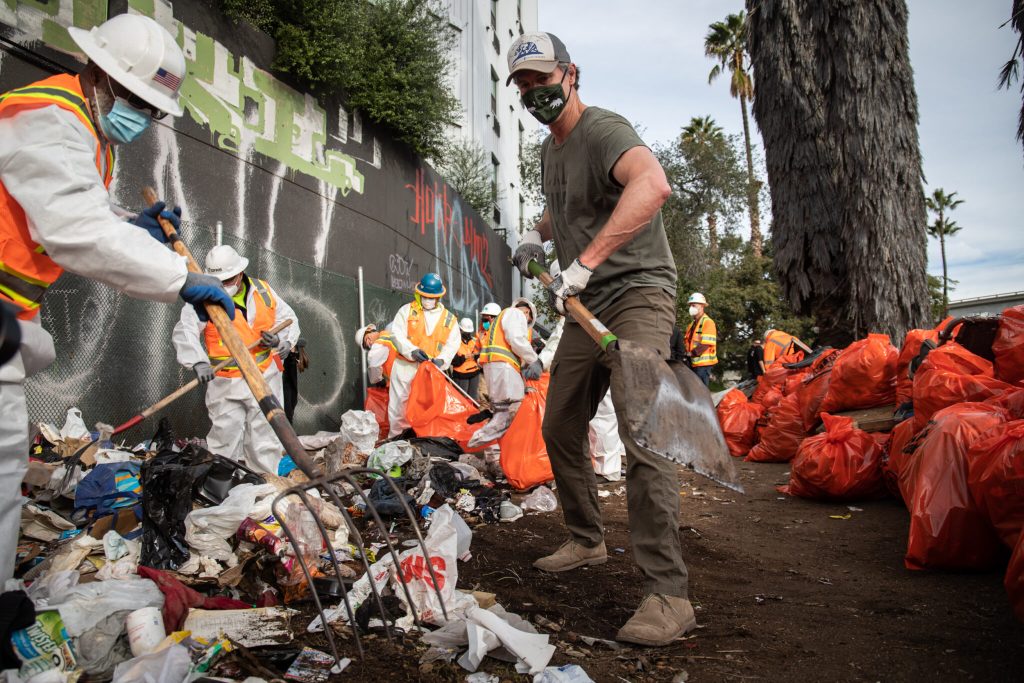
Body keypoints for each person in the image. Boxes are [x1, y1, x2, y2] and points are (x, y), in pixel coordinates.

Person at [0, 13, 235, 585]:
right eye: (136, 99)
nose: (142, 116)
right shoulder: (52, 118)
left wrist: (138, 226)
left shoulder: (81, 125)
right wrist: (177, 273)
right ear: (99, 73)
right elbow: (76, 229)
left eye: (151, 109)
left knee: (6, 469)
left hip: (9, 323)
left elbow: (83, 209)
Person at [508, 31, 695, 646]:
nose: (535, 91)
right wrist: (539, 237)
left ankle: (669, 595)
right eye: (524, 83)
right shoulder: (550, 151)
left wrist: (584, 262)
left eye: (543, 78)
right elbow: (565, 207)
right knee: (560, 422)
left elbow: (652, 186)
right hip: (585, 308)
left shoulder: (604, 129)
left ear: (571, 73)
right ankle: (587, 538)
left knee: (643, 433)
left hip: (637, 292)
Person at [172, 245, 299, 475]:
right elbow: (185, 330)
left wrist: (281, 341)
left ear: (240, 273)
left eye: (228, 279)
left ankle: (262, 486)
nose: (224, 285)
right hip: (226, 383)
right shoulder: (203, 297)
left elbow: (289, 319)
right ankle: (221, 488)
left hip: (264, 377)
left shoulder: (263, 291)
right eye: (219, 280)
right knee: (224, 439)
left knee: (264, 439)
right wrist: (197, 361)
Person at [386, 273, 460, 437]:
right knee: (399, 405)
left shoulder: (449, 319)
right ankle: (397, 440)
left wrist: (442, 359)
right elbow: (396, 334)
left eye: (431, 297)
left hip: (431, 371)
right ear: (419, 293)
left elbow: (452, 344)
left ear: (438, 297)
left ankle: (424, 440)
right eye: (424, 296)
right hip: (406, 366)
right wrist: (411, 350)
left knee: (428, 407)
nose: (427, 300)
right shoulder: (407, 311)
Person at [468, 298, 543, 448]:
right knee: (512, 410)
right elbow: (516, 339)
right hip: (503, 368)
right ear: (527, 313)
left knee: (502, 411)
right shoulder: (515, 314)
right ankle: (478, 441)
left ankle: (492, 451)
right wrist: (534, 359)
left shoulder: (502, 317)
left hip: (496, 368)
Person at [683, 292, 717, 387]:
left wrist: (691, 353)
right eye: (690, 305)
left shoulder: (708, 322)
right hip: (693, 363)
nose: (691, 308)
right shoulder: (692, 325)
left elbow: (705, 344)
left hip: (703, 364)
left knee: (701, 390)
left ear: (702, 306)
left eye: (694, 305)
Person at [356, 323, 398, 387]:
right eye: (366, 346)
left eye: (367, 338)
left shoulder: (381, 341)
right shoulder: (380, 361)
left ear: (369, 329)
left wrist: (377, 379)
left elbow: (373, 365)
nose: (368, 343)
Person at [451, 317, 482, 399]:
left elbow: (479, 356)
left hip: (474, 373)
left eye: (469, 332)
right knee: (461, 397)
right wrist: (464, 357)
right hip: (461, 375)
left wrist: (476, 355)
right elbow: (453, 361)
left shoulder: (474, 341)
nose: (468, 334)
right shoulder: (454, 342)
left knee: (473, 397)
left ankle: (473, 411)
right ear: (460, 330)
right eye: (466, 332)